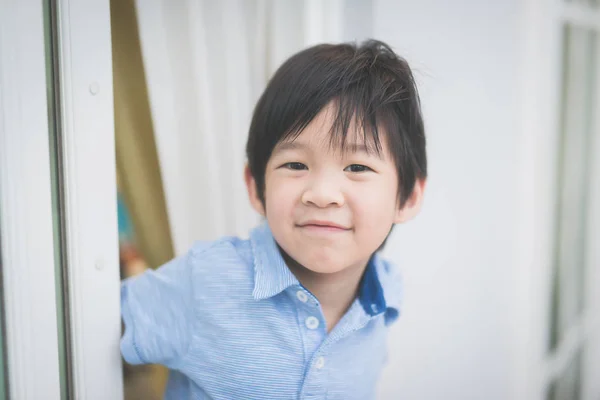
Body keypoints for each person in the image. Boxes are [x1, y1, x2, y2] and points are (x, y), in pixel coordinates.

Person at [120, 39, 427, 400]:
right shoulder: (206, 282)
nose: (323, 193)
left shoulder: (386, 297)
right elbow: (78, 334)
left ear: (406, 197)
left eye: (357, 167)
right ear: (256, 187)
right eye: (295, 165)